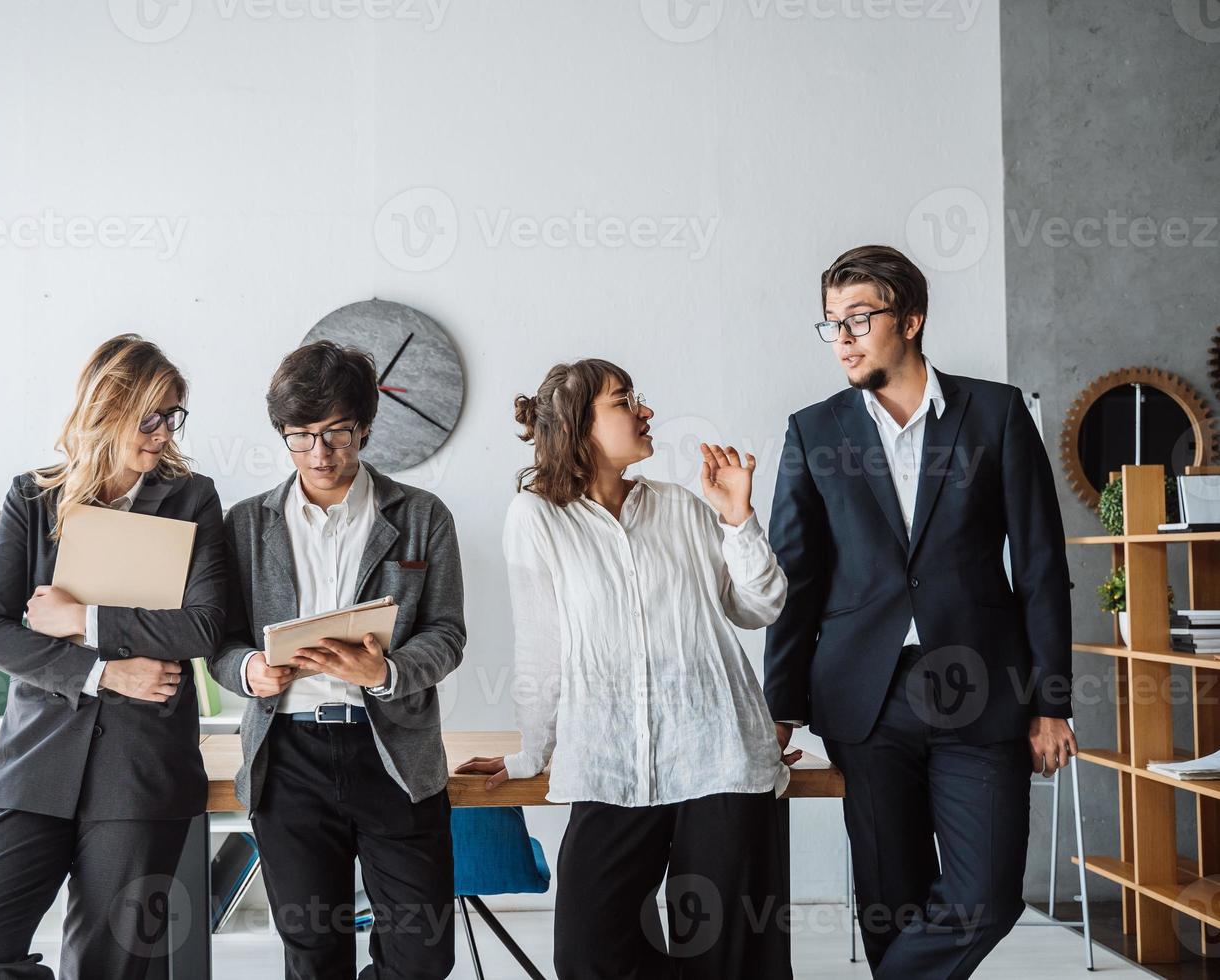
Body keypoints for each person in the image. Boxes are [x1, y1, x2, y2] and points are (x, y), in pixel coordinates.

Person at [764, 245, 1076, 978]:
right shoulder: (814, 432)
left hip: (983, 693)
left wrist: (1051, 701)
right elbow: (796, 580)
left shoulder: (995, 413)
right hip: (864, 701)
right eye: (832, 323)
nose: (841, 338)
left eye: (859, 319)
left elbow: (1038, 566)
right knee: (890, 903)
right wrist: (778, 705)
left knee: (987, 898)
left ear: (910, 319)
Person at [456, 358, 796, 980]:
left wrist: (738, 519)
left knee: (729, 960)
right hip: (611, 762)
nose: (645, 411)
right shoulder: (535, 517)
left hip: (718, 755)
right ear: (578, 427)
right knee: (590, 954)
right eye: (623, 401)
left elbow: (759, 607)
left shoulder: (684, 509)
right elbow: (541, 644)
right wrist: (533, 752)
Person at [0, 334, 227, 979]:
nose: (161, 433)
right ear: (107, 407)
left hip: (141, 767)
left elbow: (204, 628)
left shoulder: (193, 499)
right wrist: (105, 671)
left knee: (109, 967)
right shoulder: (32, 497)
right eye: (148, 416)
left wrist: (82, 619)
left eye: (172, 416)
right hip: (36, 759)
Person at [210, 340, 465, 980]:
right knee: (314, 957)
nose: (318, 455)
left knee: (422, 958)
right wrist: (249, 670)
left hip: (394, 754)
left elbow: (448, 634)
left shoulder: (422, 517)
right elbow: (219, 642)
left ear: (367, 428)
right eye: (299, 436)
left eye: (336, 434)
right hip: (287, 757)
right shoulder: (245, 525)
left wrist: (386, 673)